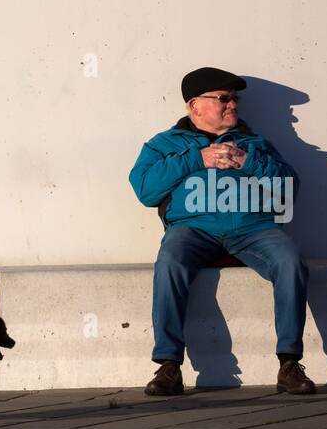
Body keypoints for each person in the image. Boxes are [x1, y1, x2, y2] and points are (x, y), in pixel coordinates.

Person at [128, 66, 316, 396]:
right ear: (194, 105)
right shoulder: (165, 144)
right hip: (193, 229)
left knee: (290, 260)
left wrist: (249, 161)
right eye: (224, 99)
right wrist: (196, 159)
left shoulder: (254, 142)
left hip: (253, 229)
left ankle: (289, 364)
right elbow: (146, 190)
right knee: (170, 259)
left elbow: (289, 191)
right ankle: (168, 366)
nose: (233, 105)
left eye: (235, 99)